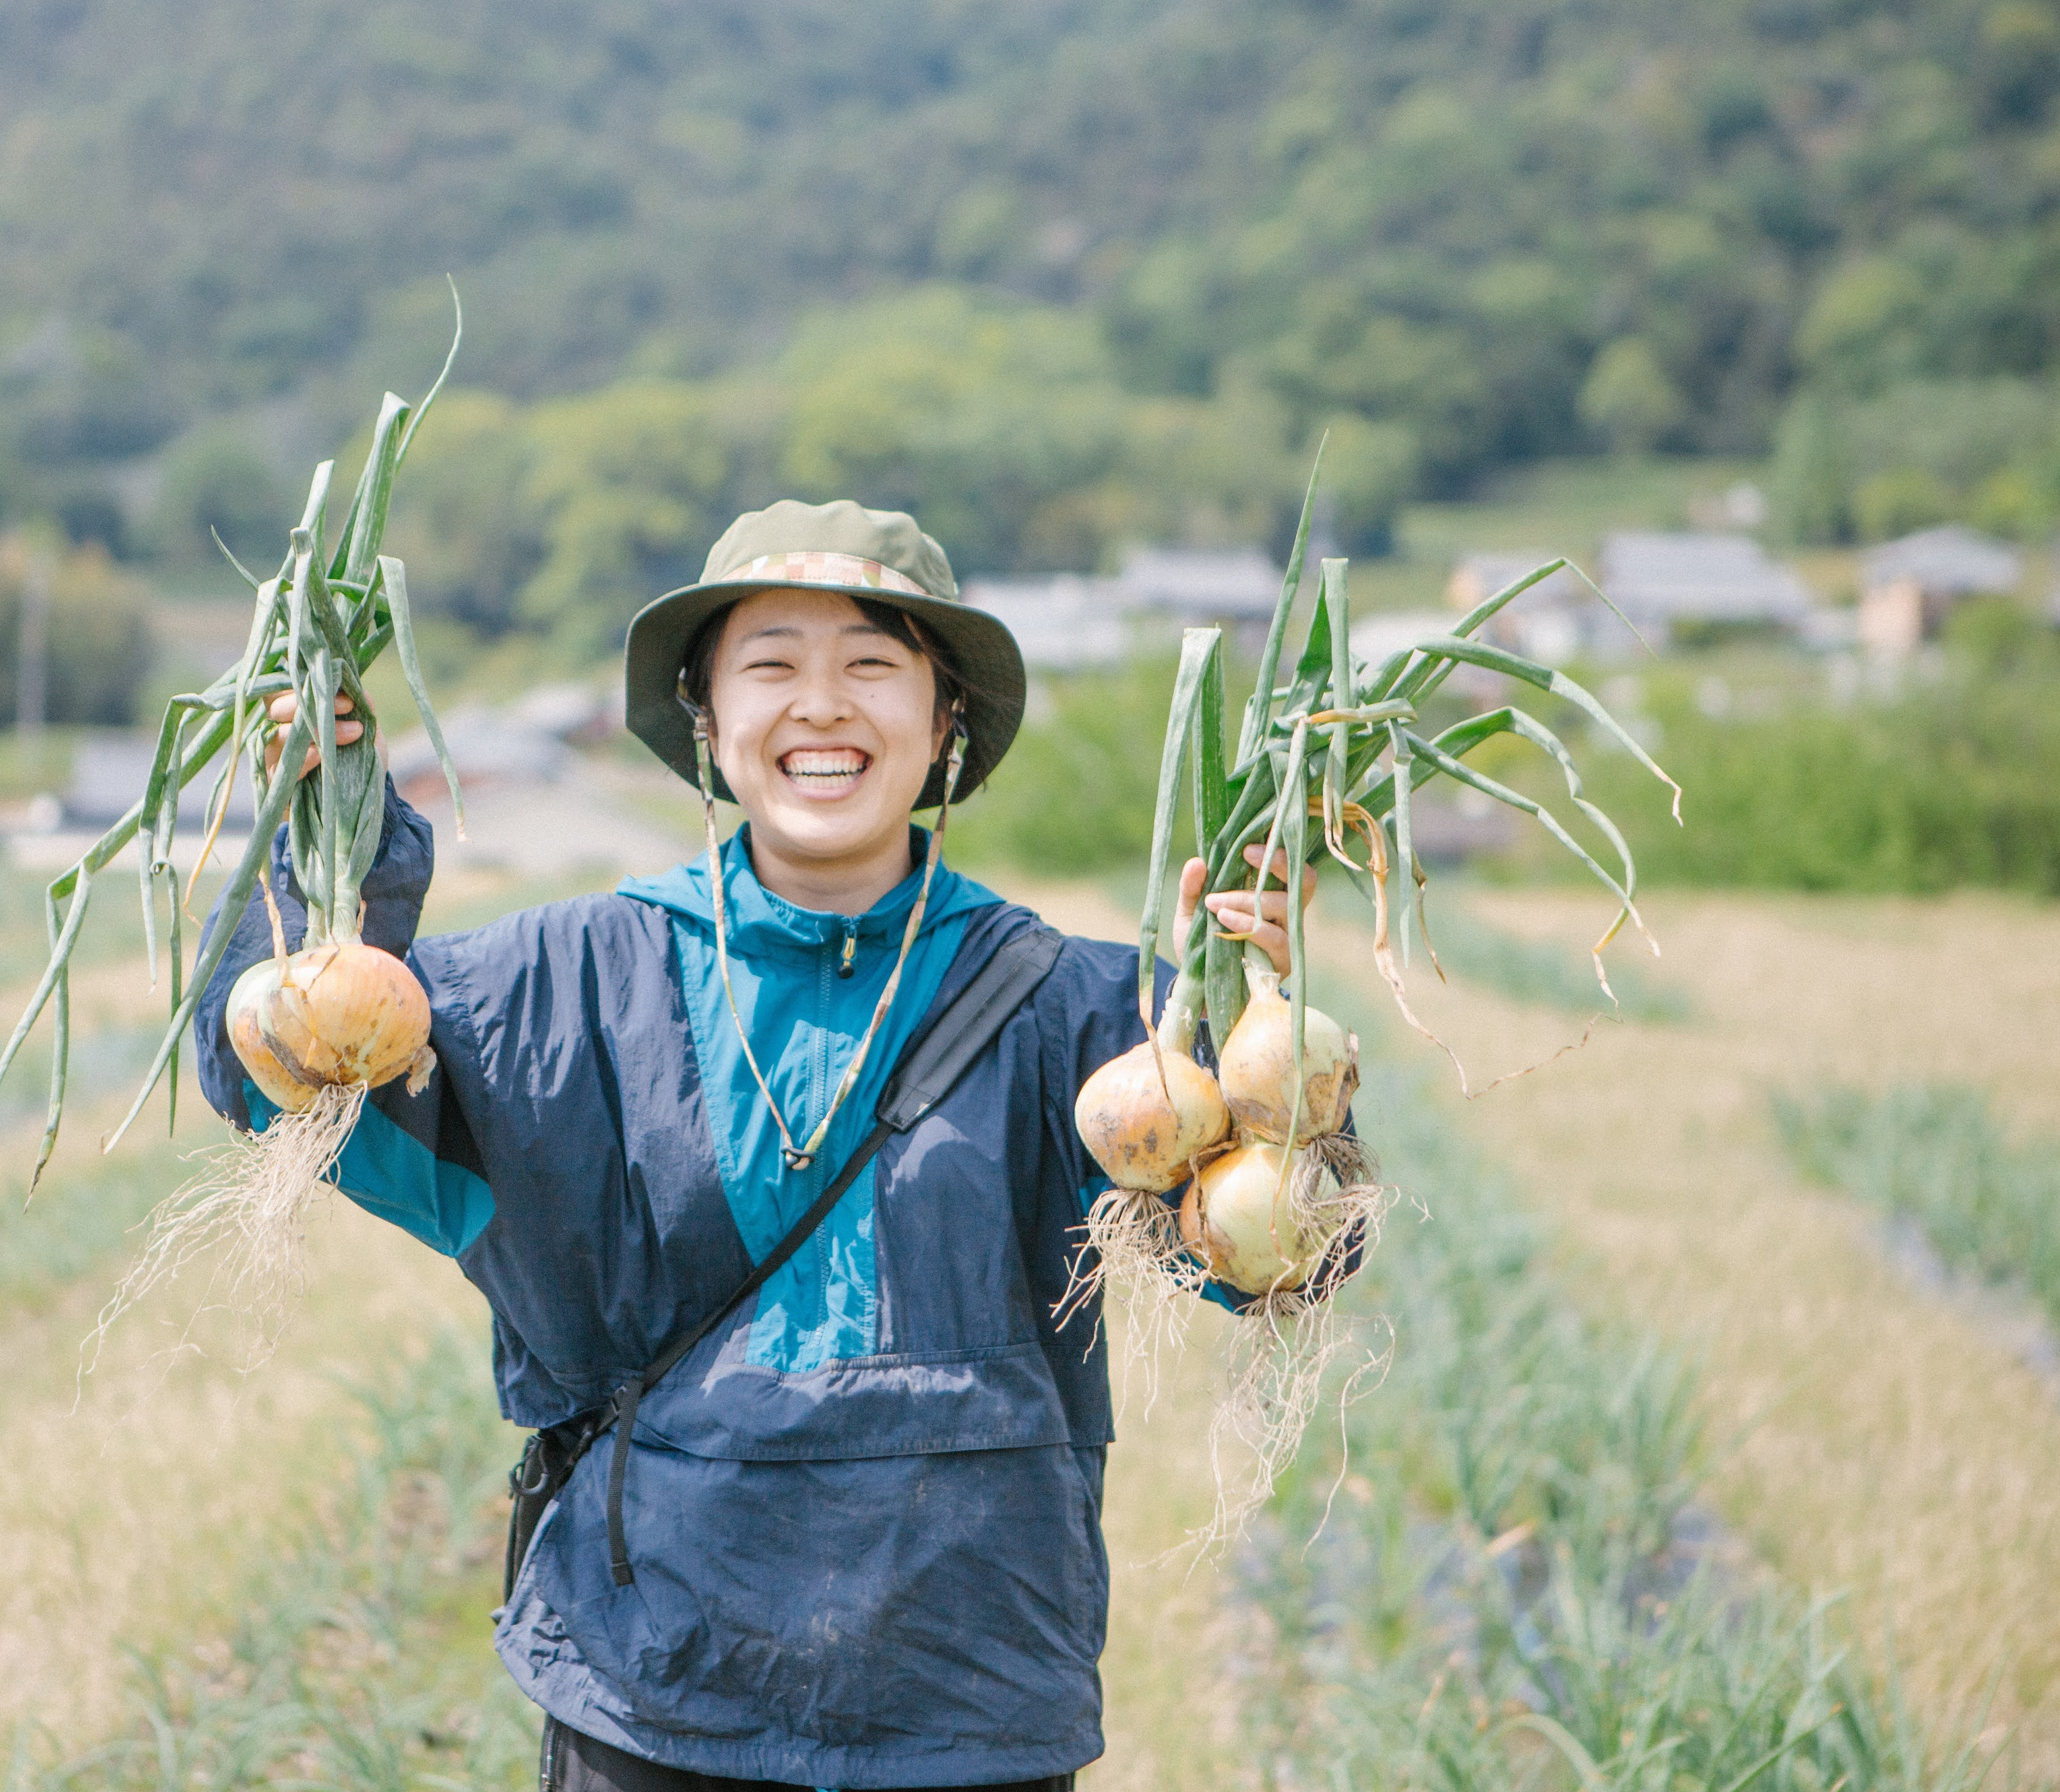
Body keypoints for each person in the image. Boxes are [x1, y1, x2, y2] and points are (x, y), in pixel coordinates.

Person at [196, 500, 1312, 1791]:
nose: (822, 707)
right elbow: (262, 1073)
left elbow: (1281, 1259)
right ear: (708, 719)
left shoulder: (1086, 1015)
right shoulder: (561, 987)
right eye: (771, 664)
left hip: (971, 1710)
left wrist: (1260, 1019)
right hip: (654, 1701)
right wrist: (336, 847)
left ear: (943, 721)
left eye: (874, 667)